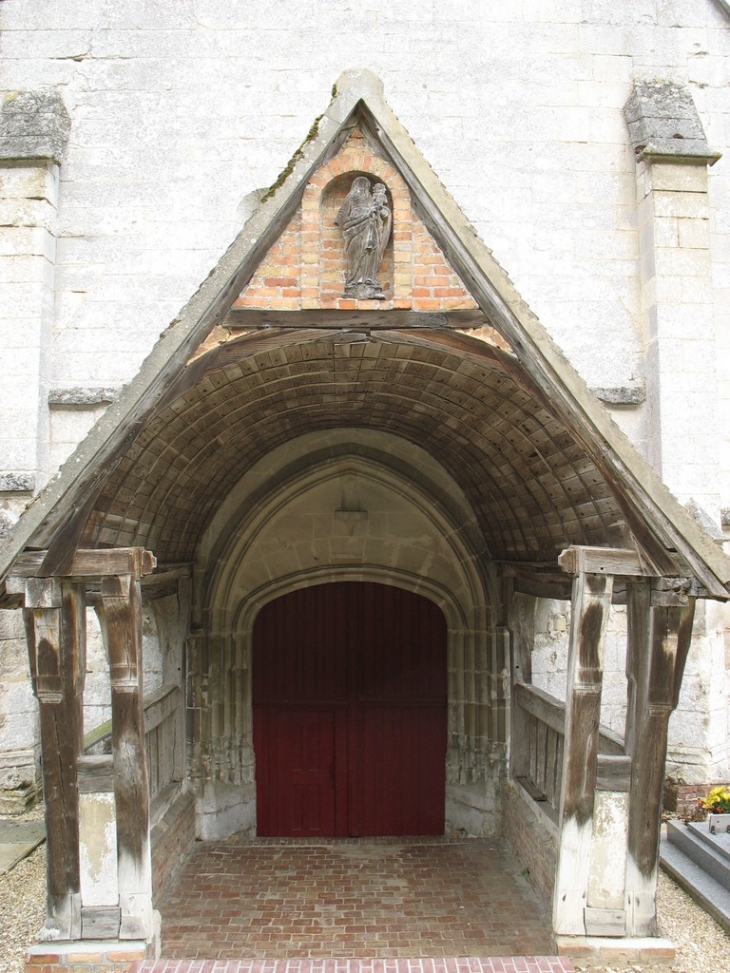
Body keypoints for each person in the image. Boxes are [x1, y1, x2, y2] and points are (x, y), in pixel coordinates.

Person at [335, 177, 391, 299]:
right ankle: (353, 282)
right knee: (355, 254)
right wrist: (339, 221)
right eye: (361, 185)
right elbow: (343, 212)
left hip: (371, 229)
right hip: (355, 229)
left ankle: (369, 280)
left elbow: (380, 212)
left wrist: (382, 211)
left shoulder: (371, 198)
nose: (363, 188)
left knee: (370, 253)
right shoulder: (351, 196)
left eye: (365, 186)